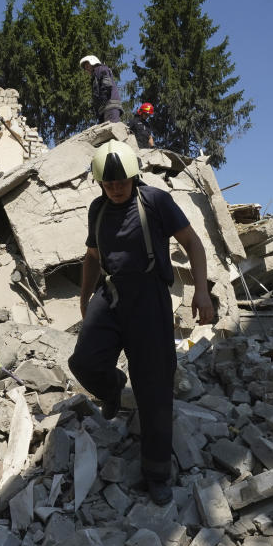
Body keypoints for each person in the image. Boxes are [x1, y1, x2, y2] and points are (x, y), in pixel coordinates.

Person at [67, 140, 214, 505]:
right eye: (108, 183)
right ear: (99, 183)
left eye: (121, 182)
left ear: (134, 177)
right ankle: (114, 387)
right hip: (112, 294)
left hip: (149, 297)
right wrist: (85, 298)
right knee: (83, 362)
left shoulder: (156, 201)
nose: (115, 188)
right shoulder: (97, 209)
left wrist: (202, 291)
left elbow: (192, 242)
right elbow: (91, 256)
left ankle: (157, 472)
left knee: (154, 387)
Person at [79, 55, 122, 124]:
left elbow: (106, 84)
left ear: (93, 62)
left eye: (87, 66)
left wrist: (103, 99)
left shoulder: (101, 69)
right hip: (104, 108)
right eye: (85, 68)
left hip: (110, 105)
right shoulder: (95, 75)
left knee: (111, 128)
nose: (86, 69)